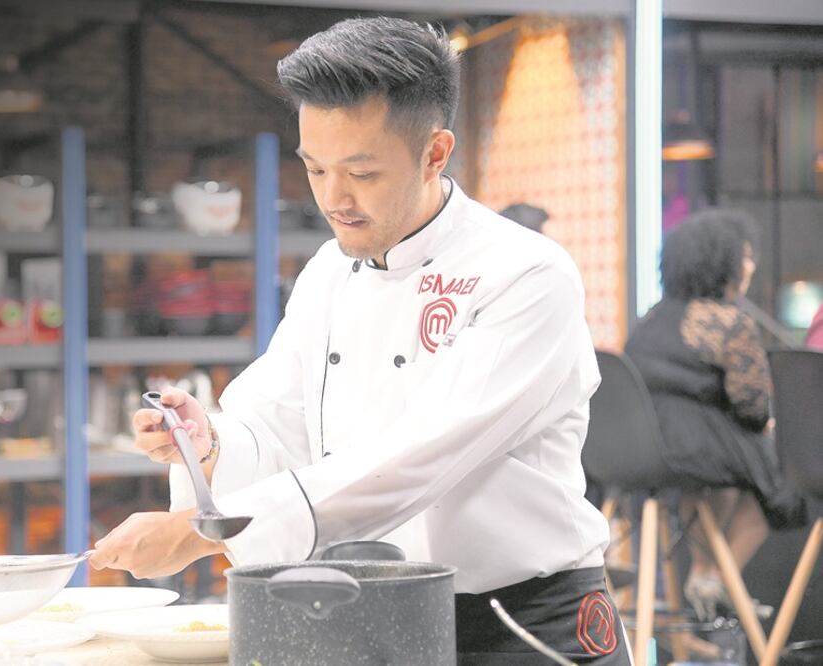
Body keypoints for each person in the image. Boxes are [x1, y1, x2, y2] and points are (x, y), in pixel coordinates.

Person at [90, 17, 627, 664]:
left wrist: (207, 534)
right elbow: (279, 424)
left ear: (435, 152)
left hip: (525, 623)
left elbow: (415, 458)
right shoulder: (328, 271)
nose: (333, 198)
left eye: (361, 172)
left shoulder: (527, 276)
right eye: (315, 168)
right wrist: (208, 445)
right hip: (380, 613)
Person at [624, 209, 807, 620]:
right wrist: (768, 423)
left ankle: (705, 575)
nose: (751, 265)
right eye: (744, 256)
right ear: (720, 261)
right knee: (778, 475)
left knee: (721, 480)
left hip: (640, 453)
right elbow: (753, 406)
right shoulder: (730, 322)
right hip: (693, 450)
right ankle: (718, 577)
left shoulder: (649, 320)